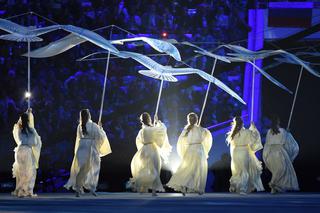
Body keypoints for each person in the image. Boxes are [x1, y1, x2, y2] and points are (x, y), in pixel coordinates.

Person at [64, 109, 112, 197]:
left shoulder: (80, 126)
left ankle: (78, 188)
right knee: (93, 168)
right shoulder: (94, 126)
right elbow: (100, 137)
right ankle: (92, 187)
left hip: (82, 148)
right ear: (89, 115)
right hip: (91, 148)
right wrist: (101, 129)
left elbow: (78, 139)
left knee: (81, 168)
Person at [167, 112, 212, 196]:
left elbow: (181, 142)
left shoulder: (191, 130)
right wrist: (203, 131)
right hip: (196, 150)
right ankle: (191, 186)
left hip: (192, 150)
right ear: (196, 120)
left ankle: (194, 187)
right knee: (196, 169)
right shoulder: (196, 130)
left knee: (191, 169)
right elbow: (204, 138)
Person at [128, 112, 171, 196]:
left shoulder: (142, 130)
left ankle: (143, 188)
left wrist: (156, 123)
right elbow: (162, 130)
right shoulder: (150, 129)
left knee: (145, 169)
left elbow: (138, 141)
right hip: (151, 149)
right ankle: (152, 190)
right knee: (154, 169)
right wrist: (158, 122)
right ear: (148, 119)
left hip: (144, 150)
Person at [227, 116, 264, 195]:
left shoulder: (233, 134)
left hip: (235, 152)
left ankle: (234, 185)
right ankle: (242, 188)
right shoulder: (247, 132)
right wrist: (254, 128)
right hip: (244, 152)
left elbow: (232, 145)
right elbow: (255, 138)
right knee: (244, 171)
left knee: (237, 171)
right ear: (242, 123)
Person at [263, 115, 299, 193]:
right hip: (279, 152)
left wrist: (266, 156)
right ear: (278, 122)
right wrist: (288, 133)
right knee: (280, 170)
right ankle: (273, 183)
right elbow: (268, 143)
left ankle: (275, 187)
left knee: (278, 171)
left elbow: (267, 145)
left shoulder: (277, 131)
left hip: (272, 152)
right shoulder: (280, 131)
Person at [12, 108, 42, 197]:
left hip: (19, 151)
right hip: (27, 151)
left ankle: (21, 190)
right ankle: (27, 190)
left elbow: (18, 125)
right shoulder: (31, 131)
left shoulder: (19, 129)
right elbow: (35, 142)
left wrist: (26, 113)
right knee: (30, 171)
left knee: (21, 171)